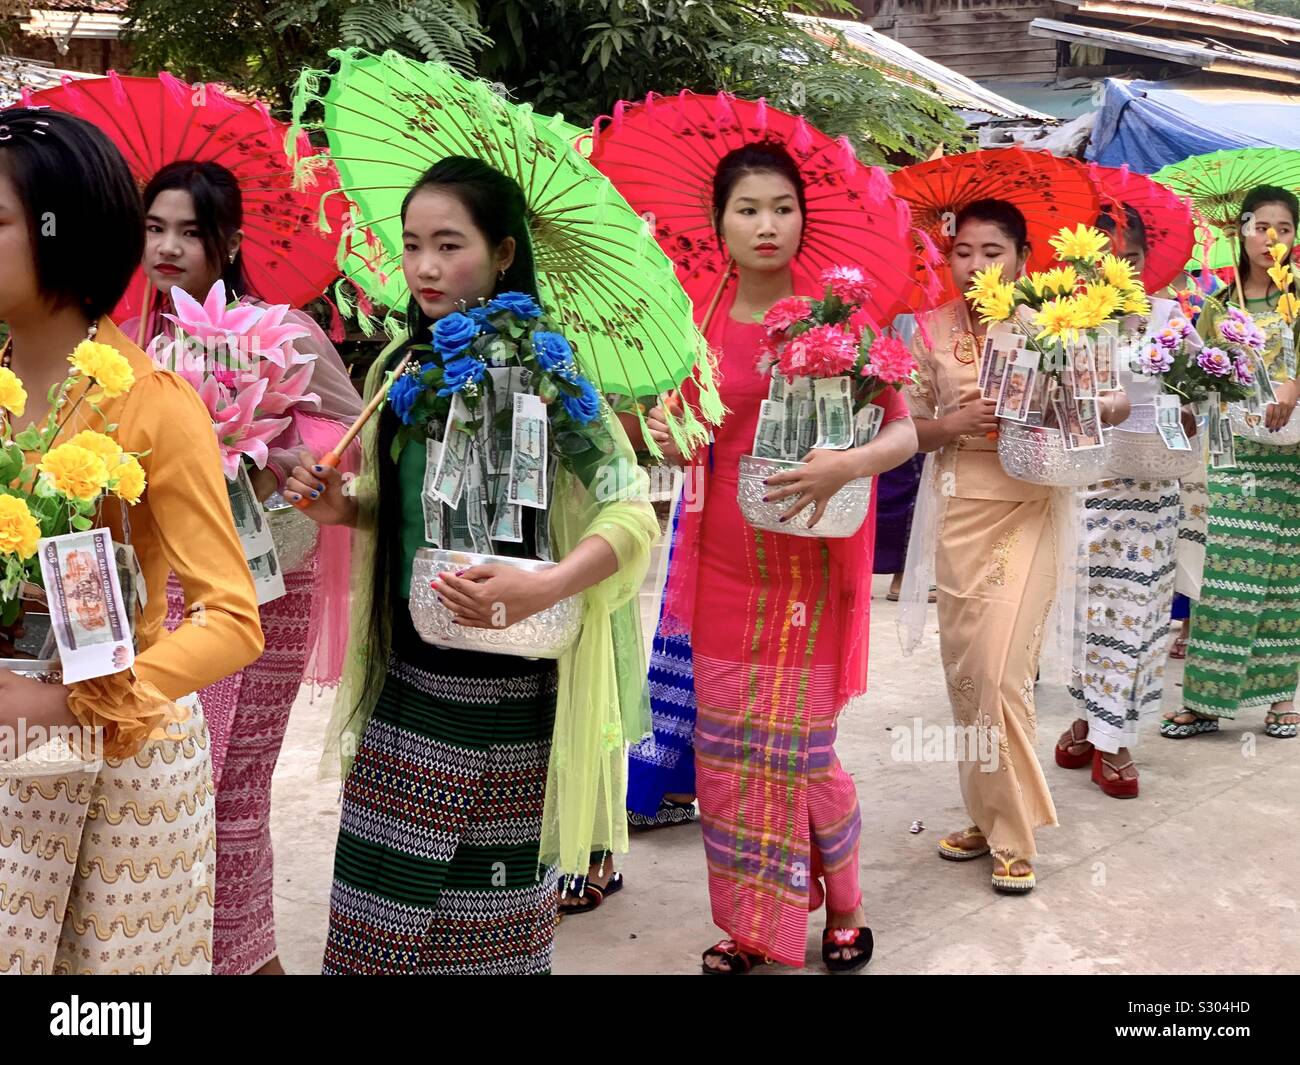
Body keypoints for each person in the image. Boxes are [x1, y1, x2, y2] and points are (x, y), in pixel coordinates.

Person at [293, 155, 658, 974]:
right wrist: (342, 506)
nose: (424, 266)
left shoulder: (547, 370)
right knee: (371, 923)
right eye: (413, 244)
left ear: (501, 253)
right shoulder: (406, 369)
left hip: (503, 690)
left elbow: (629, 506)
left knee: (485, 932)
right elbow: (414, 514)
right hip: (407, 679)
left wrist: (548, 584)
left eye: (448, 244)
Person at [0, 108, 263, 973]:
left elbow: (233, 617)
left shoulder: (154, 403)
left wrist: (83, 700)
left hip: (124, 769)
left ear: (61, 234)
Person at [654, 142, 918, 973]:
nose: (766, 225)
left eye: (782, 207)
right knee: (728, 752)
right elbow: (664, 433)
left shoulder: (838, 319)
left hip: (811, 561)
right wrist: (655, 434)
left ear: (803, 217)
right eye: (748, 209)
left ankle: (846, 896)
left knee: (803, 753)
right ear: (719, 221)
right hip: (723, 559)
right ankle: (752, 924)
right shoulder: (690, 315)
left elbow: (903, 430)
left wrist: (849, 462)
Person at [119, 160, 362, 975]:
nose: (169, 246)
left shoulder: (280, 330)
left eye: (190, 231)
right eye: (155, 228)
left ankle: (250, 963)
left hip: (266, 583)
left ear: (229, 243)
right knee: (175, 784)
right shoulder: (135, 344)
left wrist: (272, 460)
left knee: (234, 784)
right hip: (167, 589)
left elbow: (345, 431)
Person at [900, 199, 1128, 892]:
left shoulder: (1049, 323)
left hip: (1029, 508)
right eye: (963, 251)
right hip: (959, 508)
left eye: (992, 252)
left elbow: (1111, 402)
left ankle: (1011, 831)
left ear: (1023, 260)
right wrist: (955, 420)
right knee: (967, 677)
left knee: (1003, 674)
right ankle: (986, 810)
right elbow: (907, 426)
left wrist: (1076, 395)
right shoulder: (929, 331)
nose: (975, 265)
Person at [1164, 186, 1300, 742]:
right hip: (1231, 450)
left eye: (1285, 228)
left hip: (1289, 457)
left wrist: (1292, 386)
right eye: (1260, 226)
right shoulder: (1218, 303)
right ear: (1239, 233)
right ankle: (1204, 702)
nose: (1272, 238)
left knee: (1281, 578)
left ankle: (1282, 698)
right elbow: (1203, 371)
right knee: (1220, 575)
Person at [1054, 206, 1179, 797]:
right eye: (1106, 259)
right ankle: (1090, 718)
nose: (1119, 271)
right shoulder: (1068, 321)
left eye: (1130, 259)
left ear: (1147, 262)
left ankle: (1114, 736)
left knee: (1140, 615)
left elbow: (1203, 390)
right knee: (1089, 612)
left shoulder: (1172, 317)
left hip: (1154, 489)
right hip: (1092, 485)